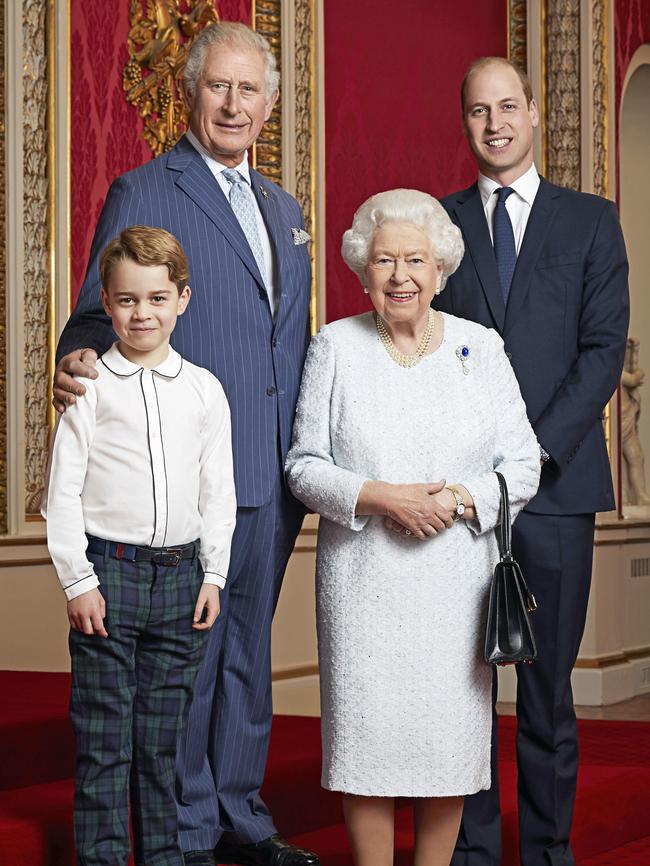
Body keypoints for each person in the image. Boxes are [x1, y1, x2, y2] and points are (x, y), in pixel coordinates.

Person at [52, 22, 317, 866]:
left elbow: (287, 341)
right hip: (186, 473)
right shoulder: (146, 188)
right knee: (188, 669)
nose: (234, 104)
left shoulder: (286, 208)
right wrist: (74, 356)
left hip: (273, 472)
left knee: (247, 655)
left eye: (250, 91)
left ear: (269, 104)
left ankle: (243, 817)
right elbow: (100, 311)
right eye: (219, 87)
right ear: (193, 92)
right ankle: (187, 831)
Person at [285, 189, 541, 866]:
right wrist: (382, 497)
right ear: (362, 269)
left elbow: (524, 465)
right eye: (384, 260)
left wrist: (457, 499)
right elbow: (303, 467)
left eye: (416, 260)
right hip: (363, 585)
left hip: (454, 587)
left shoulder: (479, 349)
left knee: (446, 749)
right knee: (365, 748)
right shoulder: (335, 346)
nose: (400, 275)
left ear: (440, 270)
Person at [434, 57, 630, 866]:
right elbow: (421, 352)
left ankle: (548, 853)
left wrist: (532, 455)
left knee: (547, 695)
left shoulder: (590, 221)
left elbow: (601, 353)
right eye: (479, 111)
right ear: (466, 122)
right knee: (469, 694)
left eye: (508, 107)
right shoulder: (436, 225)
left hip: (555, 491)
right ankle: (475, 856)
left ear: (535, 113)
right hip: (463, 497)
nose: (495, 124)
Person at [43, 226, 237, 866]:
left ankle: (163, 857)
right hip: (109, 576)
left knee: (160, 743)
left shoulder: (204, 390)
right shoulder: (90, 387)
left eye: (157, 298)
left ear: (183, 299)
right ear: (106, 300)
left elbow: (218, 493)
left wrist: (214, 575)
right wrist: (77, 581)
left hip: (181, 581)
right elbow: (61, 494)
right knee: (104, 740)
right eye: (127, 300)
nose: (142, 313)